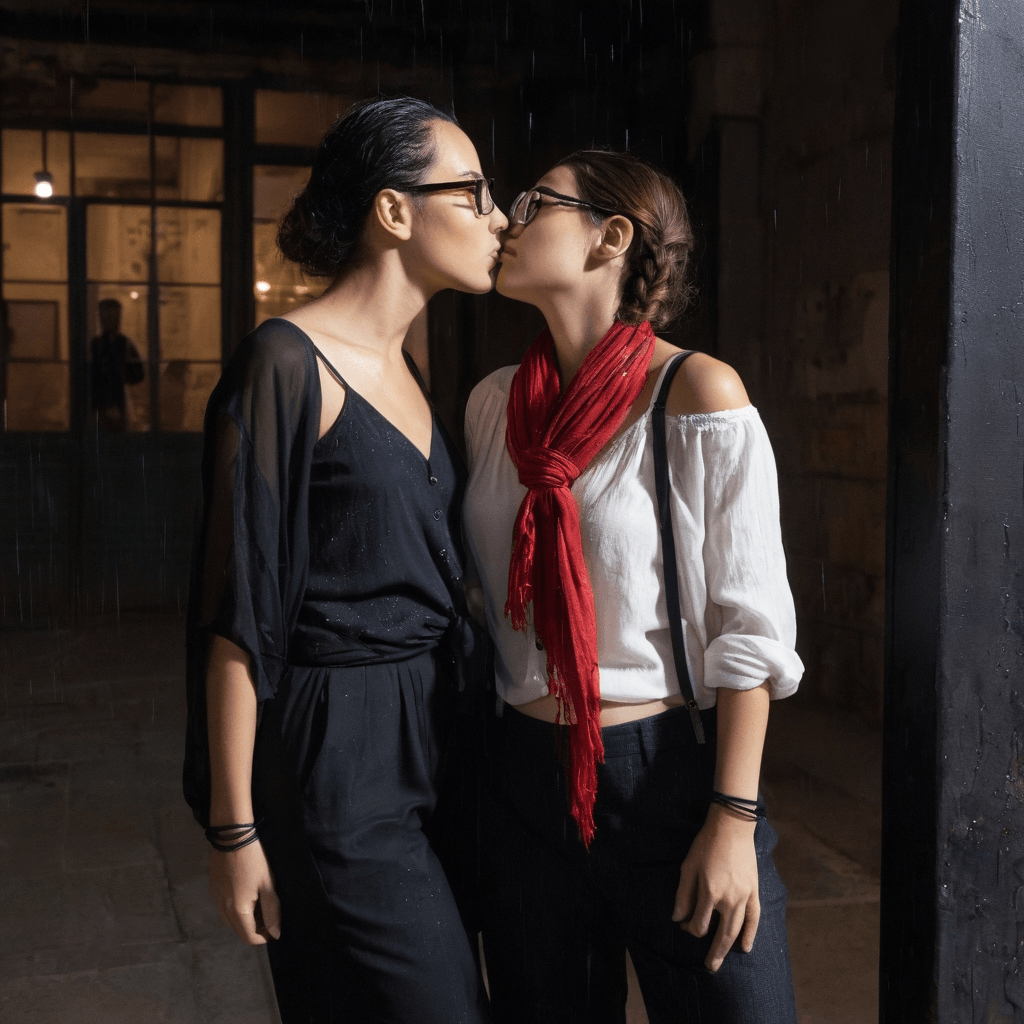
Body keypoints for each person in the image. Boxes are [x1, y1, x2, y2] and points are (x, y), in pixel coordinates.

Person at [183, 96, 506, 1024]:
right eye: (475, 192)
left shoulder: (409, 367)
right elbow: (238, 614)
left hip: (437, 728)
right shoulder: (285, 363)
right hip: (339, 744)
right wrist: (235, 829)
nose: (496, 218)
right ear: (394, 210)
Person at [463, 150, 804, 1023]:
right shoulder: (494, 404)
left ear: (610, 236)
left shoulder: (694, 391)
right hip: (523, 783)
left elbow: (750, 629)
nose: (506, 218)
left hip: (664, 780)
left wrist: (732, 819)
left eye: (535, 202)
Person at [90, 298, 144, 431]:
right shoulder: (98, 344)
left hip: (111, 399)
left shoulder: (122, 343)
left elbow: (138, 374)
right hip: (104, 401)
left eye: (111, 316)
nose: (107, 320)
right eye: (105, 316)